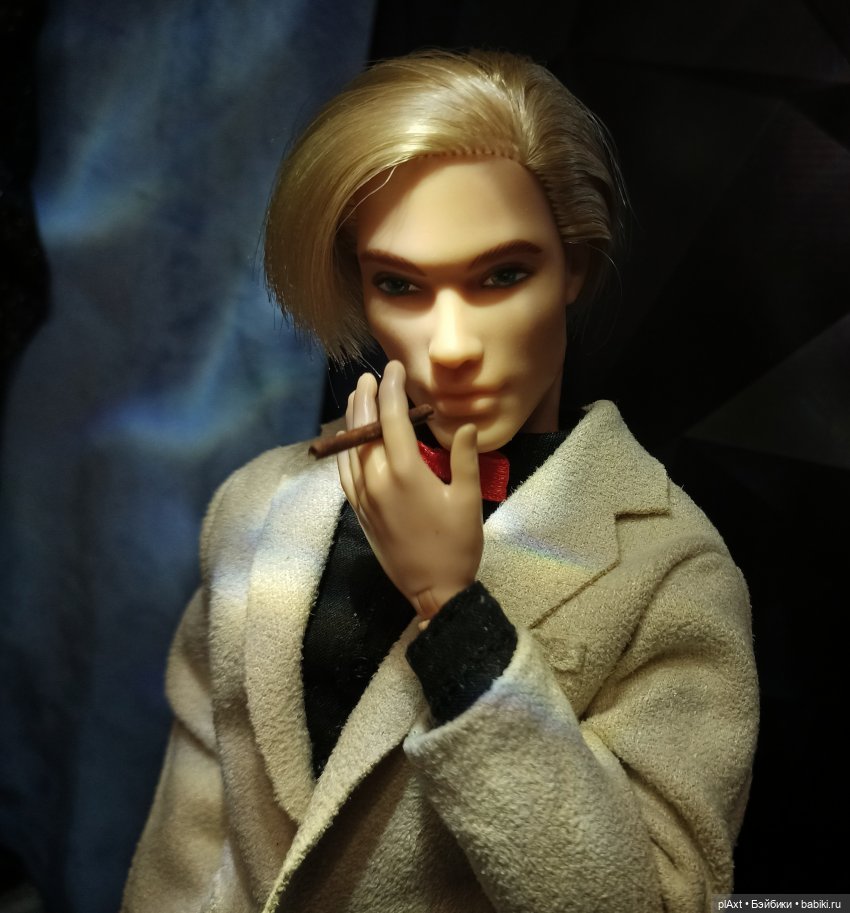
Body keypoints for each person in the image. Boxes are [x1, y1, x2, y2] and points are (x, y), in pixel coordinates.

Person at [121, 49, 758, 913]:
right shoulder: (260, 504)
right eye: (400, 284)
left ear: (574, 264)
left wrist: (456, 613)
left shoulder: (670, 572)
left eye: (502, 275)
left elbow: (655, 901)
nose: (451, 345)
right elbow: (186, 848)